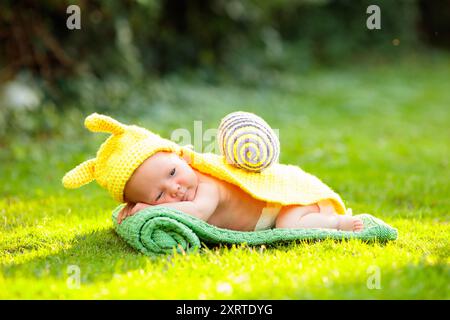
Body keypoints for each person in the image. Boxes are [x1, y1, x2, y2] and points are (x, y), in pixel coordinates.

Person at [62, 113, 364, 233]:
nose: (175, 189)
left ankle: (339, 223)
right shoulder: (182, 184)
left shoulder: (207, 185)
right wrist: (137, 206)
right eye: (158, 195)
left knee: (289, 226)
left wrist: (144, 208)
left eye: (172, 172)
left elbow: (197, 211)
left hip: (287, 203)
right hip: (275, 209)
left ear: (180, 157)